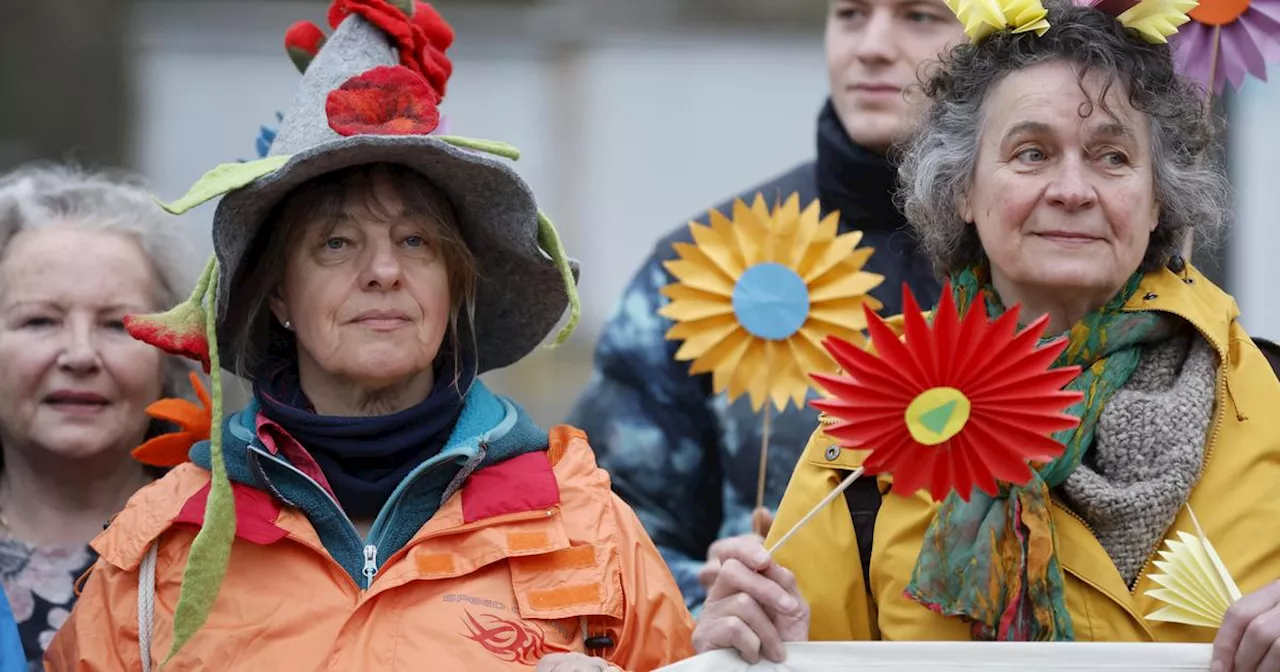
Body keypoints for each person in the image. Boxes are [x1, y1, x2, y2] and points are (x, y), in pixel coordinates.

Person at [46, 2, 694, 671]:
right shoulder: (161, 548)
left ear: (454, 287)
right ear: (278, 295)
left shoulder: (588, 526)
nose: (384, 272)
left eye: (415, 241)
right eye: (336, 243)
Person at [692, 0, 1280, 669]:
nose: (1072, 189)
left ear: (1156, 201)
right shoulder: (872, 415)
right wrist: (778, 646)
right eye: (1031, 153)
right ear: (963, 190)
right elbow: (812, 649)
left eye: (1112, 157)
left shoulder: (1265, 397)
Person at [566, 0, 966, 614]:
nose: (872, 46)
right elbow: (605, 529)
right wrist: (708, 615)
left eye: (921, 16)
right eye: (851, 14)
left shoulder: (1054, 262)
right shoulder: (708, 267)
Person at [0, 164, 197, 668]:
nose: (81, 355)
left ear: (169, 354)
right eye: (40, 320)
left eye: (117, 324)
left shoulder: (236, 545)